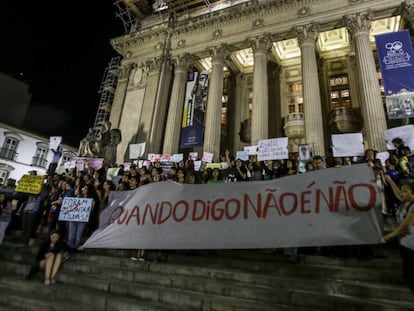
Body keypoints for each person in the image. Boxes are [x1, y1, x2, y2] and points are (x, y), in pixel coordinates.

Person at [381, 177, 414, 293]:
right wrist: (390, 181)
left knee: (410, 276)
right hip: (406, 245)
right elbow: (398, 195)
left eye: (406, 191)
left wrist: (387, 237)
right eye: (403, 191)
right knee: (408, 276)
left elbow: (404, 227)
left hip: (412, 245)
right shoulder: (405, 202)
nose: (402, 193)